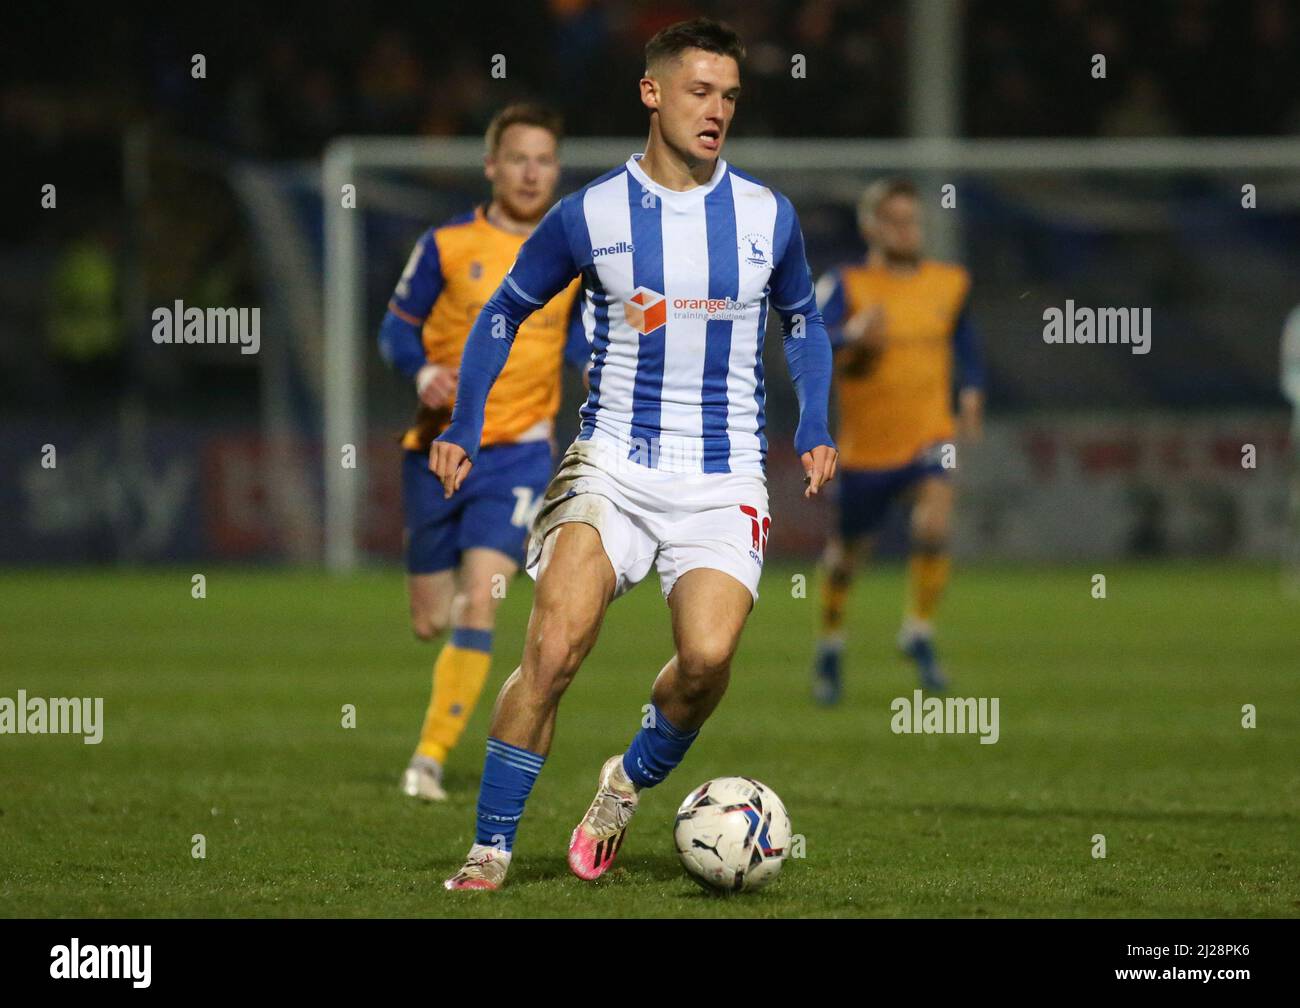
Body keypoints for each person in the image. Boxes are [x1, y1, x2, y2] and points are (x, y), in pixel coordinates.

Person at [430, 17, 837, 890]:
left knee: (707, 659)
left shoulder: (768, 216)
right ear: (651, 93)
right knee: (553, 650)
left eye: (730, 95)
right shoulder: (592, 213)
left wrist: (814, 423)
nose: (717, 109)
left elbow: (803, 319)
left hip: (723, 472)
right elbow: (502, 312)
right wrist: (464, 424)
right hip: (612, 461)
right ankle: (492, 845)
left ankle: (624, 784)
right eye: (699, 91)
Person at [377, 103, 587, 800]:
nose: (532, 173)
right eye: (519, 158)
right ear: (492, 166)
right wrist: (420, 372)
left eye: (545, 161)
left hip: (519, 456)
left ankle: (428, 759)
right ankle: (437, 733)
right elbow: (396, 330)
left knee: (480, 604)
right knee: (428, 619)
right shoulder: (445, 246)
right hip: (437, 448)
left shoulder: (572, 256)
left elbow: (586, 344)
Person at [812, 177, 985, 701]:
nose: (909, 230)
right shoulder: (845, 284)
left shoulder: (949, 283)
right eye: (897, 220)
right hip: (866, 447)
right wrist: (849, 336)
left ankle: (918, 630)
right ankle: (831, 642)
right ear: (871, 226)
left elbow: (965, 343)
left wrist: (972, 392)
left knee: (935, 519)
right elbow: (807, 341)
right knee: (848, 554)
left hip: (931, 432)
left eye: (914, 219)